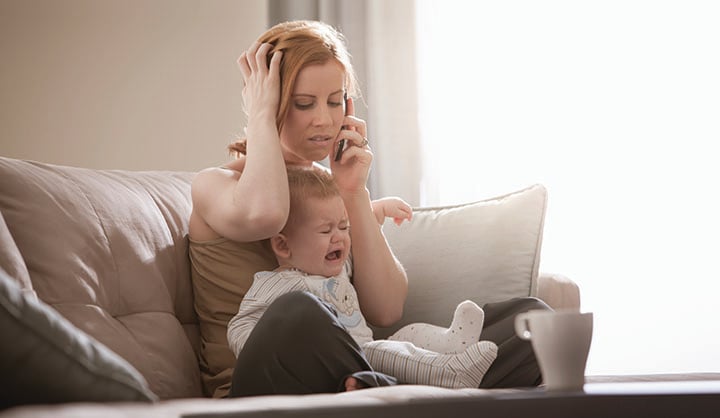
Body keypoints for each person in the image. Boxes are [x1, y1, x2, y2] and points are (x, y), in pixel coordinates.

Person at [188, 19, 550, 398]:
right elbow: (268, 215)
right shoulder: (215, 185)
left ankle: (392, 390)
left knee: (531, 321)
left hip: (352, 362)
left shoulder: (331, 189)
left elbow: (386, 310)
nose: (324, 120)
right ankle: (395, 388)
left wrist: (353, 191)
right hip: (259, 381)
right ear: (269, 97)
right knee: (297, 311)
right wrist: (259, 115)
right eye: (303, 103)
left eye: (334, 101)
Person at [227, 168, 498, 390]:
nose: (340, 237)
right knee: (381, 351)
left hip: (370, 352)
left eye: (343, 227)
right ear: (284, 247)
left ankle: (453, 345)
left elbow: (364, 232)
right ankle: (450, 374)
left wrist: (377, 211)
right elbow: (240, 324)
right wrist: (264, 343)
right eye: (326, 231)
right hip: (360, 354)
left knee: (406, 335)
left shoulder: (340, 266)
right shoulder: (279, 283)